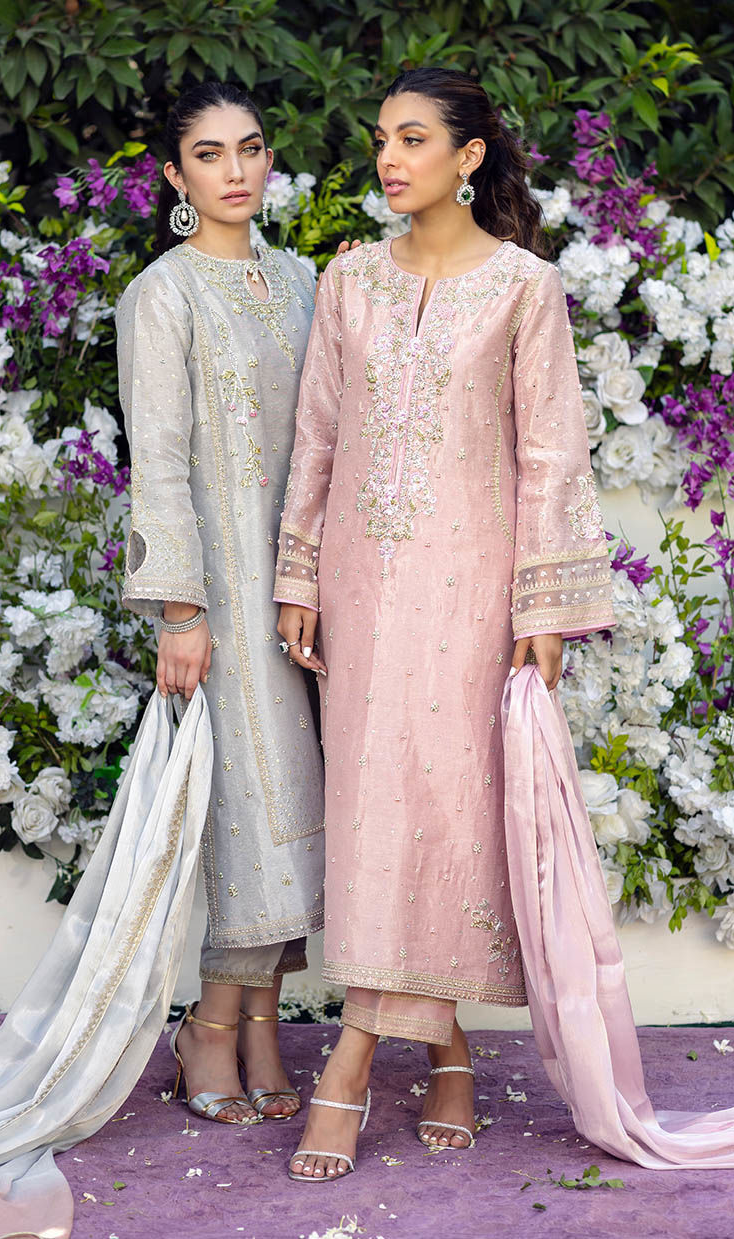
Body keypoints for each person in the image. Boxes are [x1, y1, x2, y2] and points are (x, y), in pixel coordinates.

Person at [274, 66, 615, 1180]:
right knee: (375, 813)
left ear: (468, 156)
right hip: (362, 587)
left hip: (473, 592)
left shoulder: (524, 288)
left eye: (414, 138)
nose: (390, 157)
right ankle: (451, 1052)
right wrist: (298, 572)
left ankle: (352, 1058)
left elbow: (550, 453)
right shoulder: (350, 280)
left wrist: (545, 606)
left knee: (444, 812)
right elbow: (318, 433)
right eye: (382, 137)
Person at [117, 81, 326, 1124]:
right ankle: (208, 1028)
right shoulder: (162, 295)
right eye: (209, 154)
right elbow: (156, 459)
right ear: (175, 176)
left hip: (307, 591)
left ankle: (260, 1029)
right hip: (223, 595)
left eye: (250, 148)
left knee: (299, 805)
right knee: (245, 805)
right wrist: (179, 609)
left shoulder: (302, 281)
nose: (235, 171)